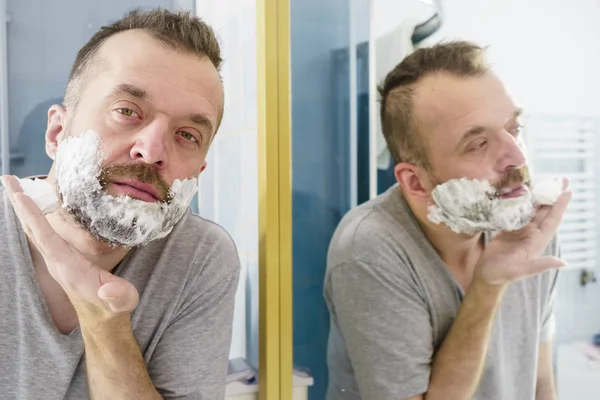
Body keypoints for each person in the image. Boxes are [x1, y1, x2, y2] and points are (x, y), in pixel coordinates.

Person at [0, 8, 240, 400]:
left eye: (187, 134)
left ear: (199, 171)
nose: (153, 150)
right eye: (127, 111)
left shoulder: (200, 258)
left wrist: (105, 321)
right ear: (58, 132)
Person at [324, 41, 571, 400]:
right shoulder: (369, 250)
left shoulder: (529, 226)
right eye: (478, 144)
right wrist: (488, 286)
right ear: (415, 182)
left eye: (513, 129)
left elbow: (540, 382)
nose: (516, 157)